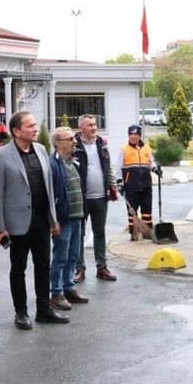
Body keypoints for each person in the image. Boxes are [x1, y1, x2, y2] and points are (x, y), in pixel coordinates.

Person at [0, 111, 66, 328]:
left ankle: (44, 309)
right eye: (30, 126)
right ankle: (21, 312)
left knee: (43, 265)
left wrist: (53, 219)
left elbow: (48, 187)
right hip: (17, 223)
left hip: (42, 221)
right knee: (18, 268)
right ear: (16, 131)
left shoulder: (41, 149)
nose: (35, 129)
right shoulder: (1, 155)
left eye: (35, 125)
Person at [72, 114, 120, 282]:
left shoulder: (102, 144)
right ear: (81, 128)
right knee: (79, 233)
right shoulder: (73, 145)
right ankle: (80, 268)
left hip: (101, 196)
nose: (94, 127)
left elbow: (109, 167)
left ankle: (102, 267)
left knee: (100, 232)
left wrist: (113, 186)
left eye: (95, 124)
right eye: (90, 125)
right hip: (81, 198)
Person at [50, 126, 89, 309]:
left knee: (73, 256)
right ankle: (56, 293)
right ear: (58, 144)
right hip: (63, 220)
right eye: (70, 139)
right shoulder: (52, 164)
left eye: (74, 138)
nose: (75, 141)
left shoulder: (72, 162)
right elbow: (50, 196)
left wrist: (83, 216)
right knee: (60, 258)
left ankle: (69, 288)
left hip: (76, 217)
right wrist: (53, 220)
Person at [120, 124, 162, 239]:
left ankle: (147, 232)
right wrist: (120, 183)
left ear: (139, 135)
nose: (133, 136)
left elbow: (151, 162)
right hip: (131, 186)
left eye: (135, 134)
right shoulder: (124, 150)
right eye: (131, 134)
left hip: (146, 185)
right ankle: (134, 233)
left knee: (147, 210)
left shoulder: (146, 149)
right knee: (132, 211)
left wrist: (156, 170)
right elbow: (119, 168)